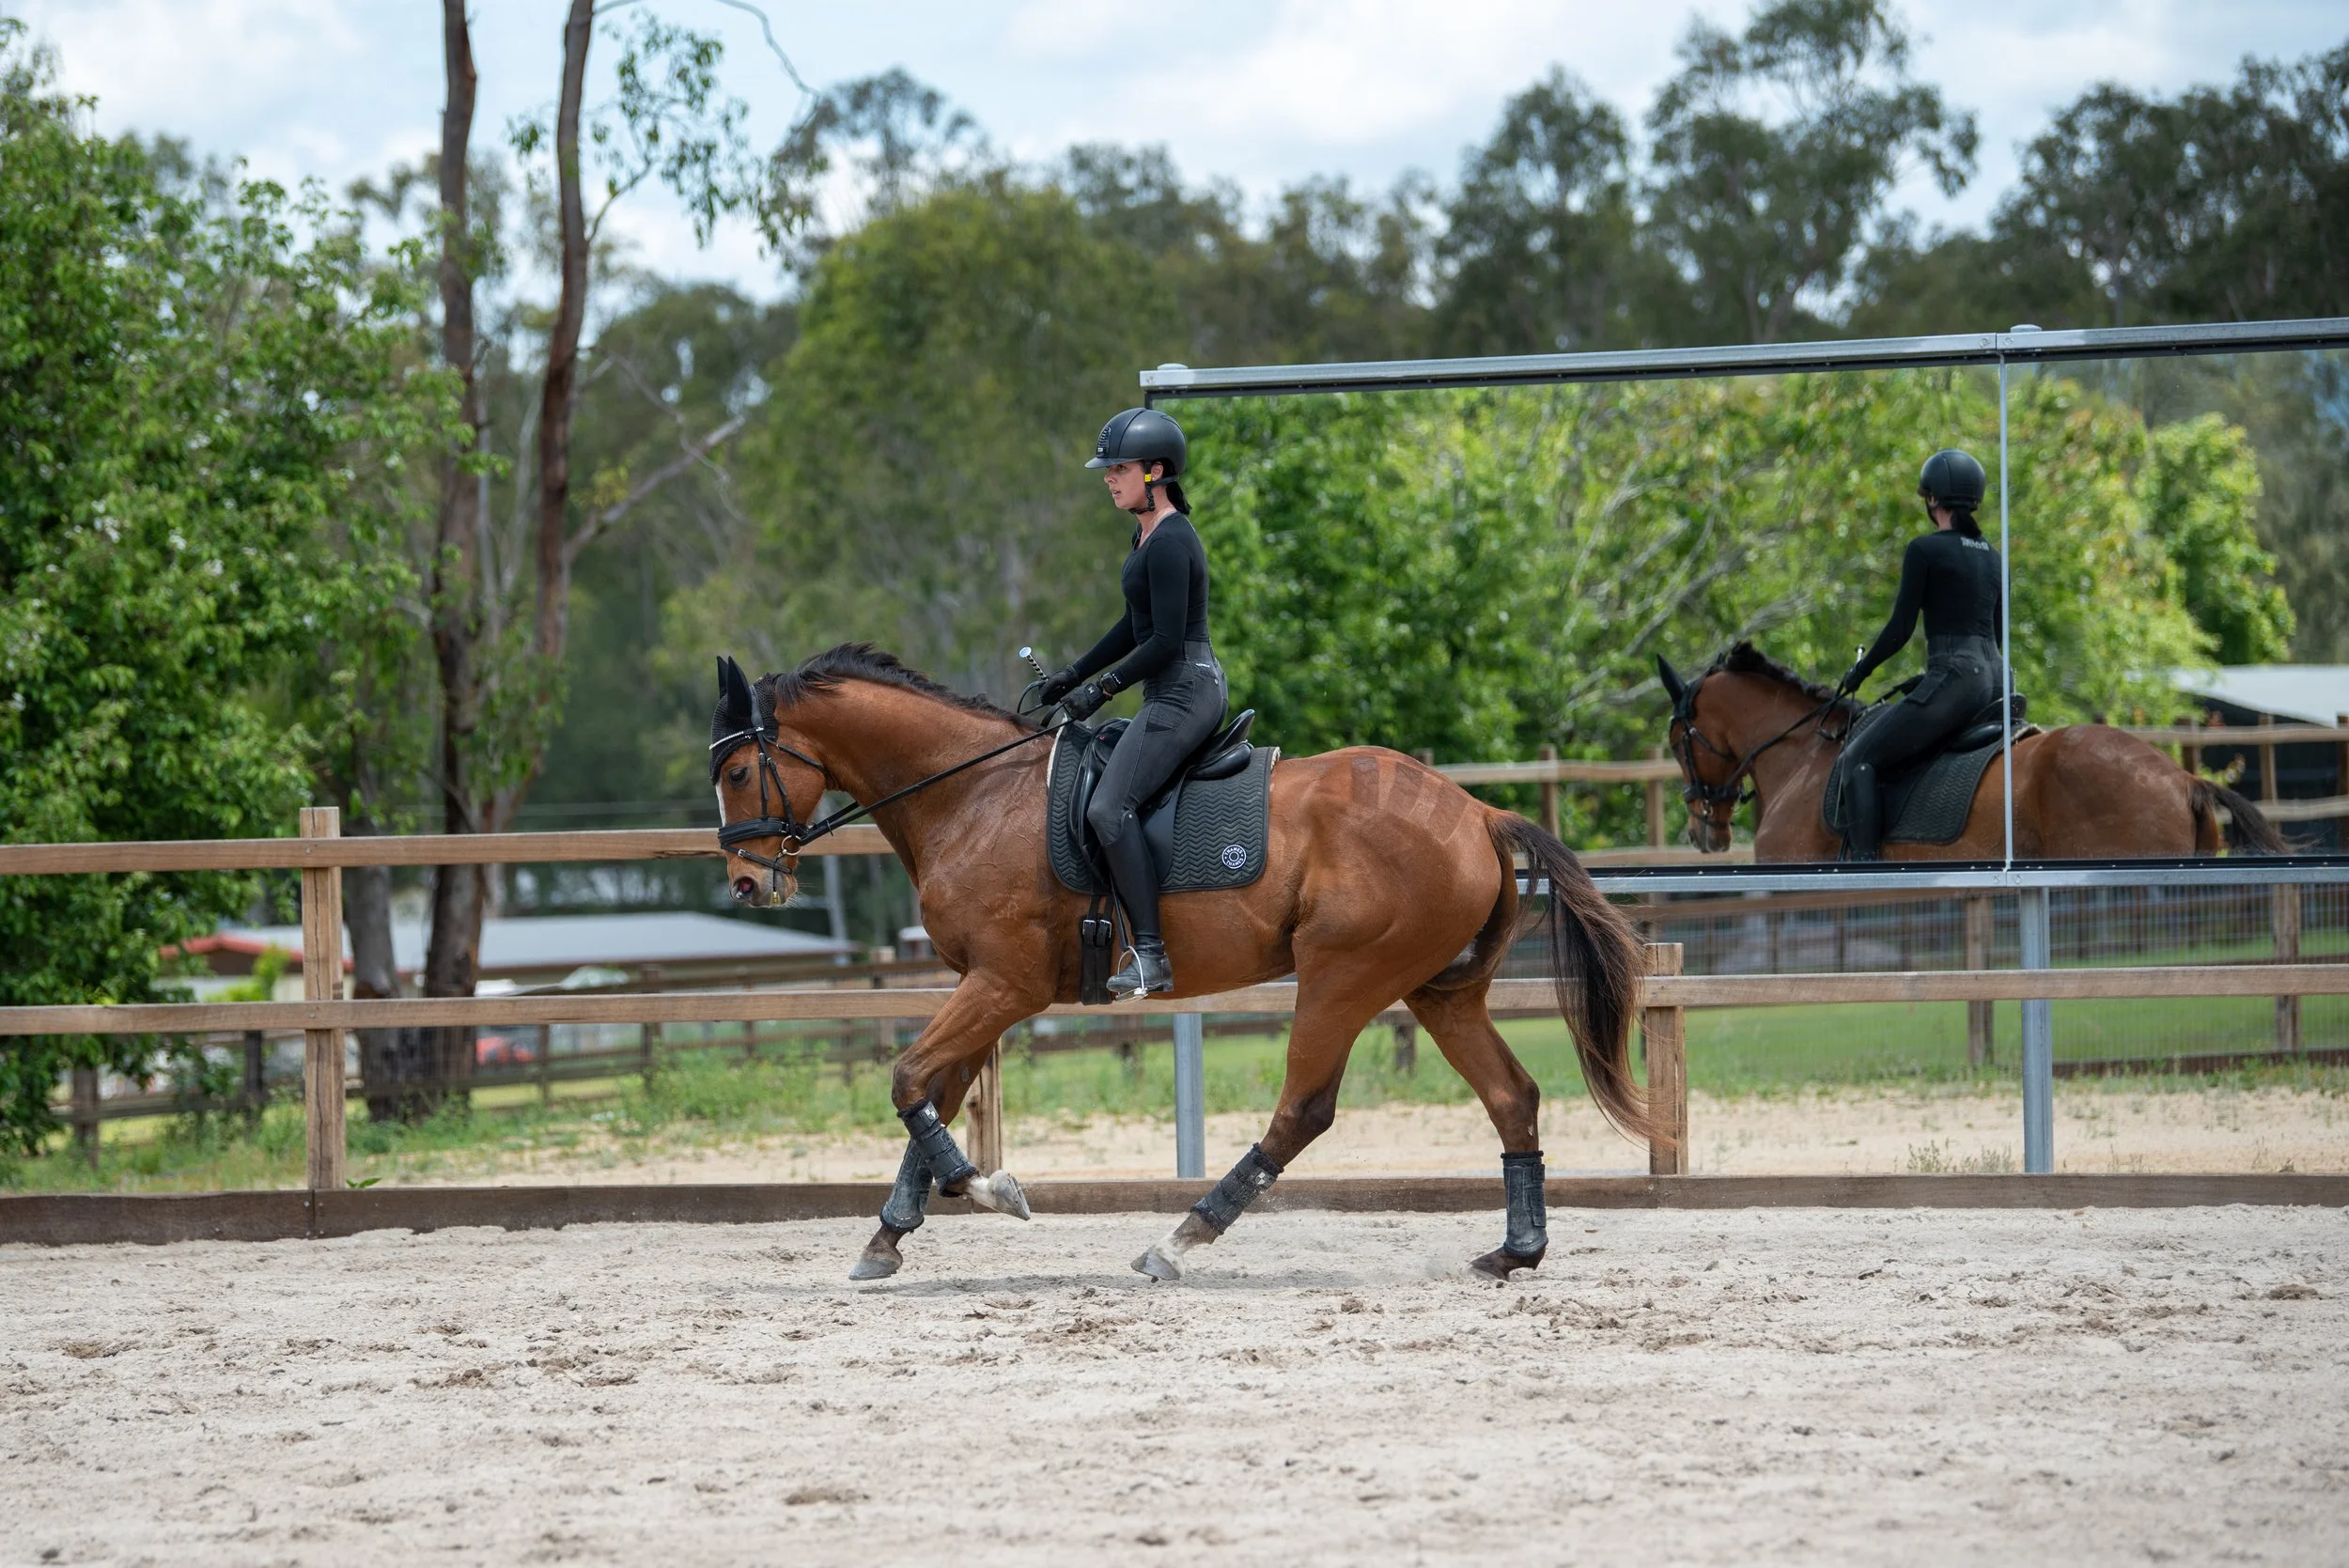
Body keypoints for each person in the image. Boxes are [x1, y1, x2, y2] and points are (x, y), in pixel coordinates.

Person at [1036, 408, 1227, 998]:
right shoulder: (1144, 534)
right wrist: (1072, 674)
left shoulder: (1173, 540)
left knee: (1108, 808)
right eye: (1108, 468)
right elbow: (1133, 625)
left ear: (1156, 472)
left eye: (1119, 468)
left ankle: (1150, 955)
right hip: (1168, 688)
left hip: (1187, 690)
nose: (1108, 478)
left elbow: (1166, 641)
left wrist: (1101, 691)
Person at [1832, 448, 2005, 861]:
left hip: (1955, 681)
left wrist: (1860, 671)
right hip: (1996, 681)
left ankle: (1865, 867)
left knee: (1857, 759)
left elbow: (1899, 631)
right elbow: (1996, 635)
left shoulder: (1925, 550)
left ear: (1932, 500)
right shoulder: (1996, 559)